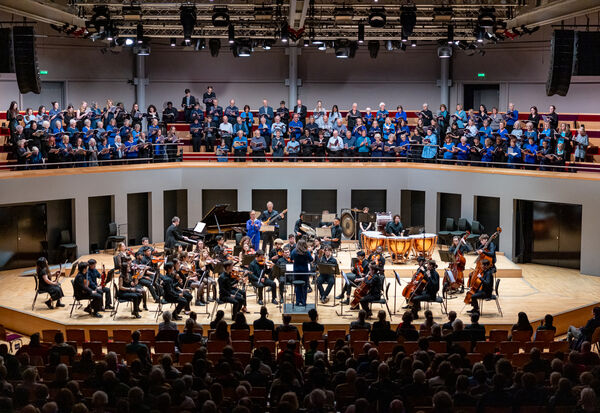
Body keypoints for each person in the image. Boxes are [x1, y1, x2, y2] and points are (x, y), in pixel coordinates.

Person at [290, 239, 313, 306]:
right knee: (304, 287)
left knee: (297, 286)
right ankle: (303, 302)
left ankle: (297, 301)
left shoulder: (294, 251)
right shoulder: (307, 252)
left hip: (296, 272)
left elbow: (291, 259)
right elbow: (311, 259)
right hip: (304, 272)